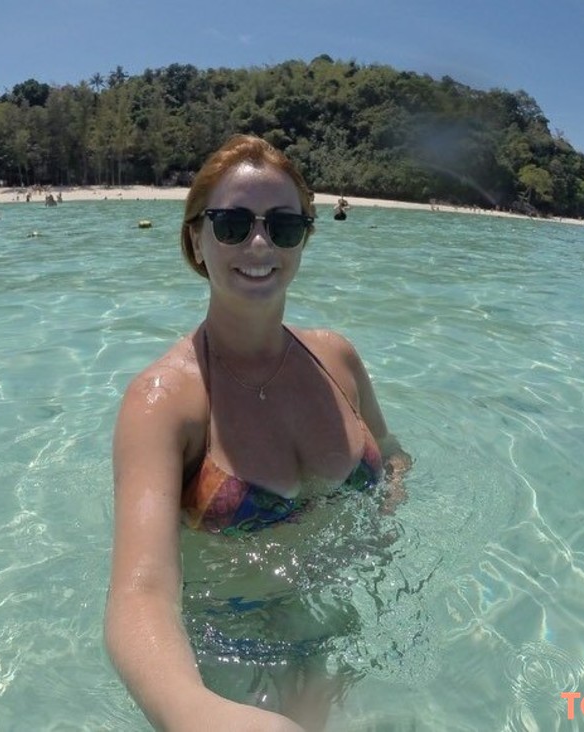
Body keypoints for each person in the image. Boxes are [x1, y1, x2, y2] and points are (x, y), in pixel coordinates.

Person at [105, 134, 411, 731]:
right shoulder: (164, 402)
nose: (260, 244)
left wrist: (390, 509)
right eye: (233, 224)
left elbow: (394, 452)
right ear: (196, 238)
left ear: (304, 239)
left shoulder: (338, 360)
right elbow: (140, 594)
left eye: (284, 226)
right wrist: (196, 711)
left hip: (353, 622)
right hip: (235, 653)